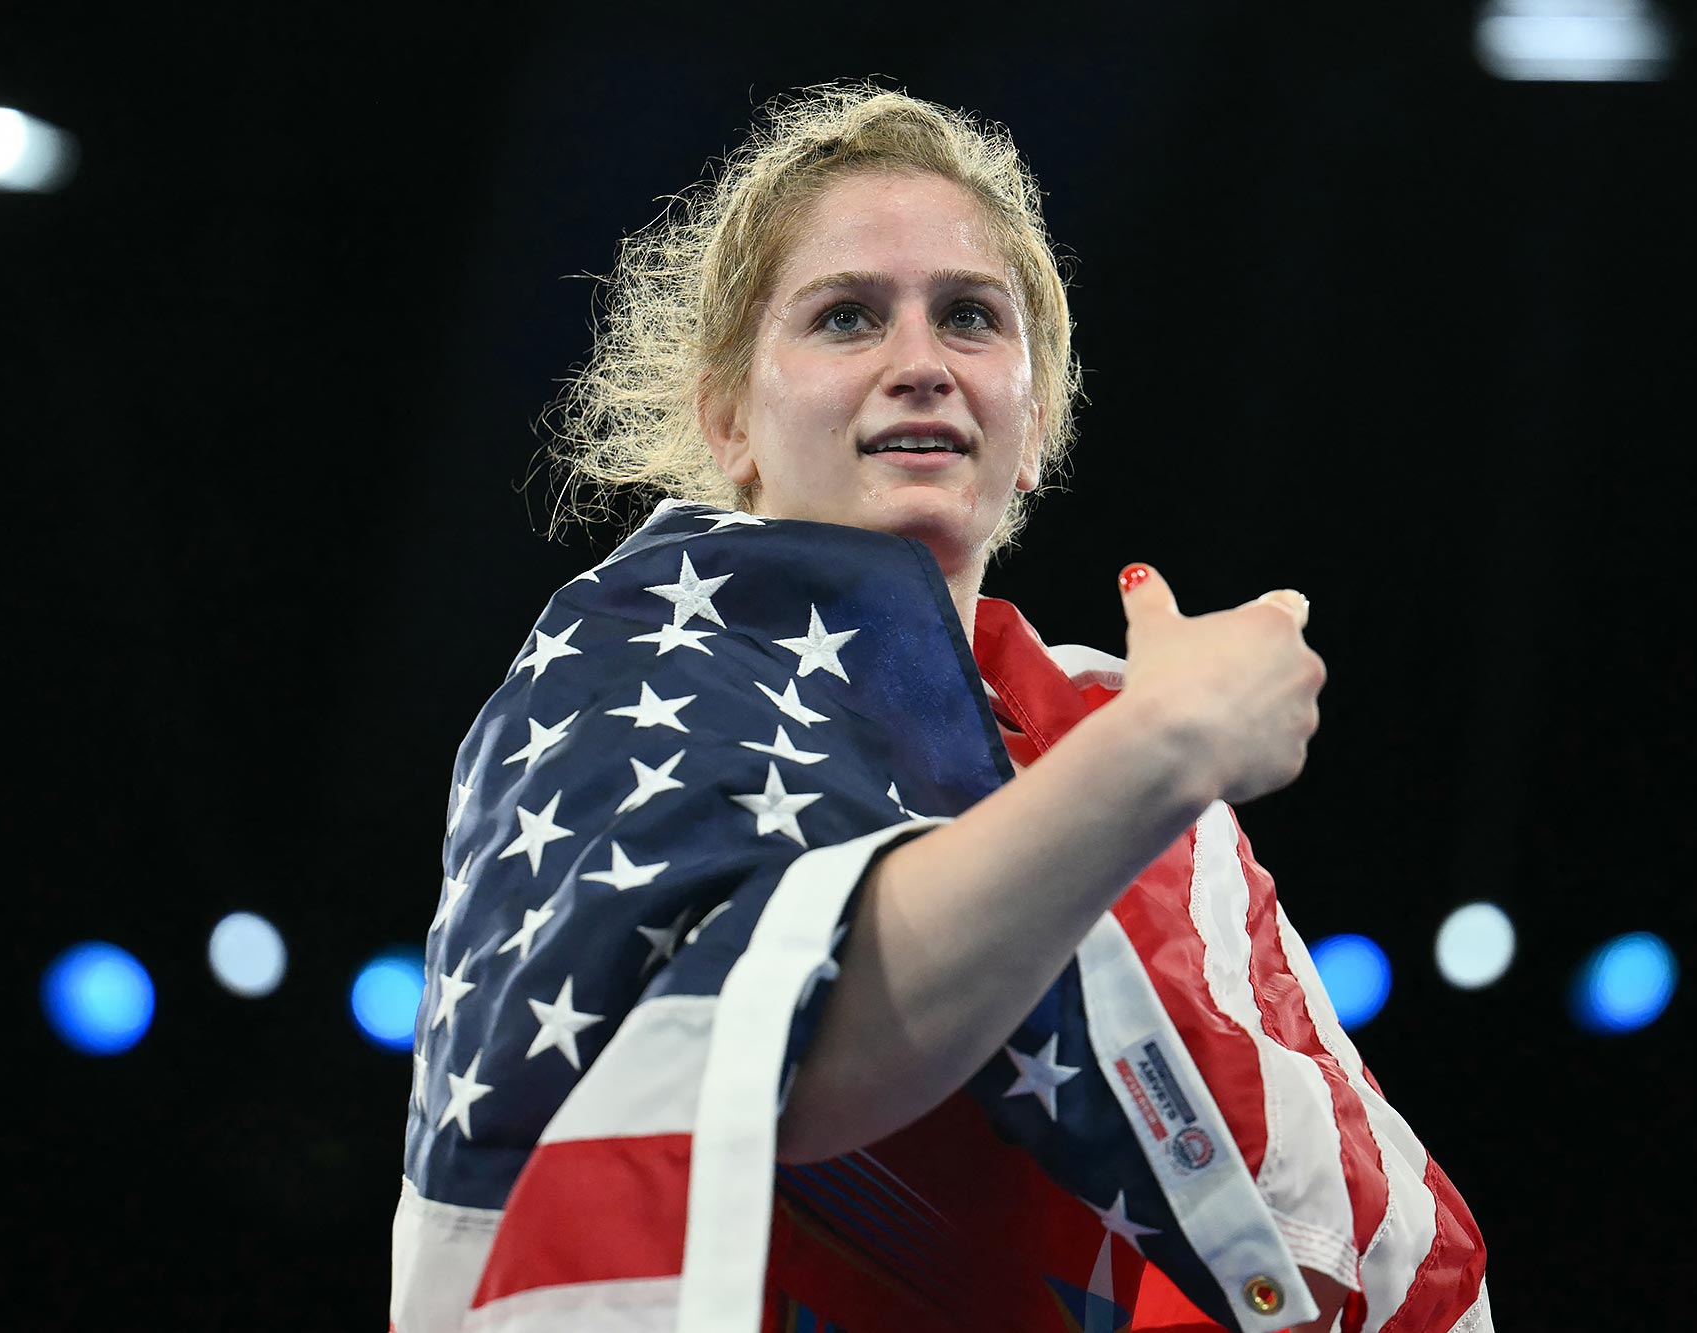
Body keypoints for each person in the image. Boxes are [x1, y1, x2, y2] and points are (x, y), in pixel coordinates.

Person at [390, 83, 1490, 1333]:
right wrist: (1162, 750)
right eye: (847, 317)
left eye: (969, 318)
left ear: (1032, 424)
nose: (918, 365)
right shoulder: (631, 672)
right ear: (728, 417)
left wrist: (1141, 747)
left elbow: (1305, 1214)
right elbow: (789, 1062)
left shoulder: (1096, 724)